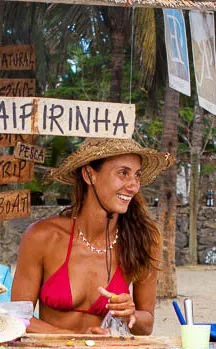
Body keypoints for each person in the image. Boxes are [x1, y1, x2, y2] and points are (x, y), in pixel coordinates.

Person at [12, 137, 173, 336]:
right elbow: (18, 317)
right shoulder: (43, 237)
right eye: (123, 173)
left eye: (137, 176)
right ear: (89, 175)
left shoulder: (142, 240)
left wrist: (130, 314)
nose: (133, 186)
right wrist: (76, 339)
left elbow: (146, 325)